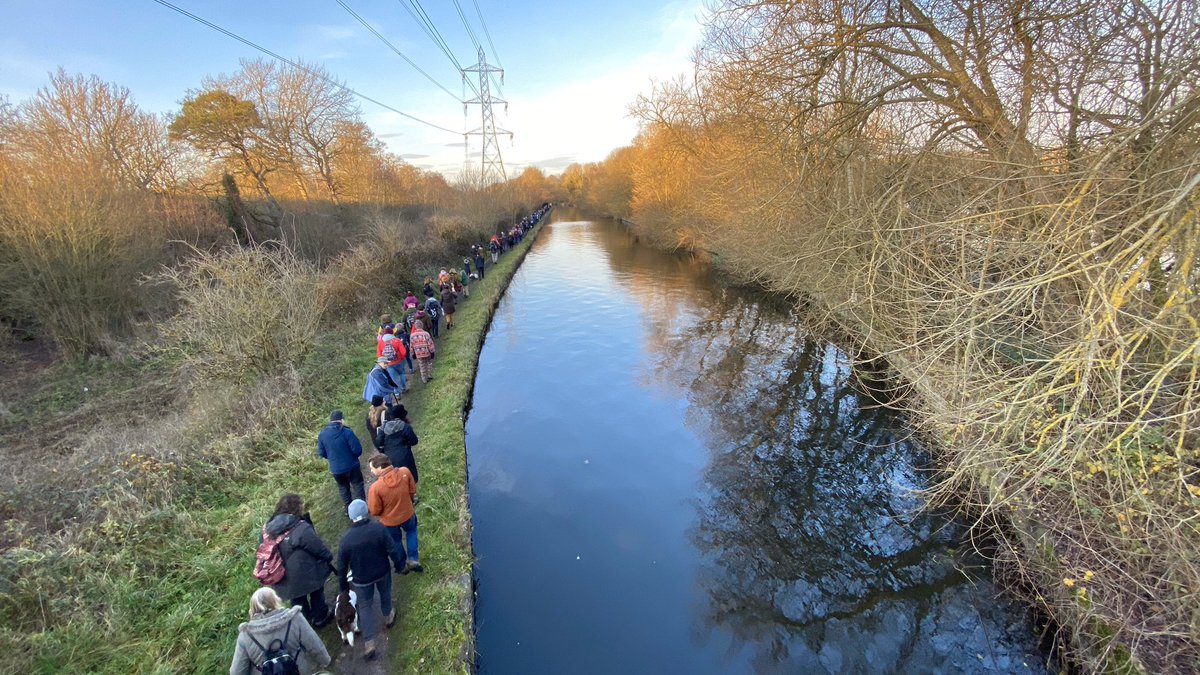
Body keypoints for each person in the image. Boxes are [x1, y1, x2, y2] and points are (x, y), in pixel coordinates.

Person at [336, 499, 396, 661]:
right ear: (367, 512)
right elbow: (391, 548)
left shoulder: (346, 540)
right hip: (382, 571)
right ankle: (388, 615)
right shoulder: (379, 528)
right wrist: (398, 563)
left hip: (361, 579)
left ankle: (369, 642)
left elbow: (341, 566)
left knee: (365, 606)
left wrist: (343, 586)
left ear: (351, 516)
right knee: (385, 593)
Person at [262, 494, 334, 628]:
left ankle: (303, 622)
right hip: (306, 571)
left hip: (281, 576)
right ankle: (320, 617)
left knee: (296, 598)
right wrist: (328, 556)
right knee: (316, 592)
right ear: (296, 509)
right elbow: (316, 546)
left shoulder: (267, 529)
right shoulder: (300, 527)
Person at [229, 587, 330, 675]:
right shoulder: (295, 618)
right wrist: (325, 661)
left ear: (253, 609)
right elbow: (313, 643)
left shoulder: (246, 635)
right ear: (275, 601)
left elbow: (236, 671)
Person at [367, 454, 423, 575]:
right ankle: (413, 559)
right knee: (411, 533)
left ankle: (402, 566)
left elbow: (374, 510)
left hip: (389, 522)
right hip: (408, 513)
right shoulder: (405, 472)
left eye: (372, 468)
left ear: (380, 467)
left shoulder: (375, 488)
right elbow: (413, 490)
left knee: (396, 541)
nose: (371, 471)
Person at [316, 410, 364, 508]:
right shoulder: (347, 432)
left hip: (336, 469)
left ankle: (348, 509)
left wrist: (332, 458)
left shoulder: (322, 434)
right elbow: (357, 449)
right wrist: (354, 457)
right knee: (357, 485)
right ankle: (362, 507)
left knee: (343, 488)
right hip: (352, 465)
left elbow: (321, 453)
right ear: (341, 420)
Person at [376, 403, 419, 482]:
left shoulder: (383, 427)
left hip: (389, 458)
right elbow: (414, 441)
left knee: (396, 480)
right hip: (405, 455)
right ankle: (412, 493)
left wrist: (384, 450)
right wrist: (406, 444)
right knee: (411, 477)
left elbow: (378, 442)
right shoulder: (405, 426)